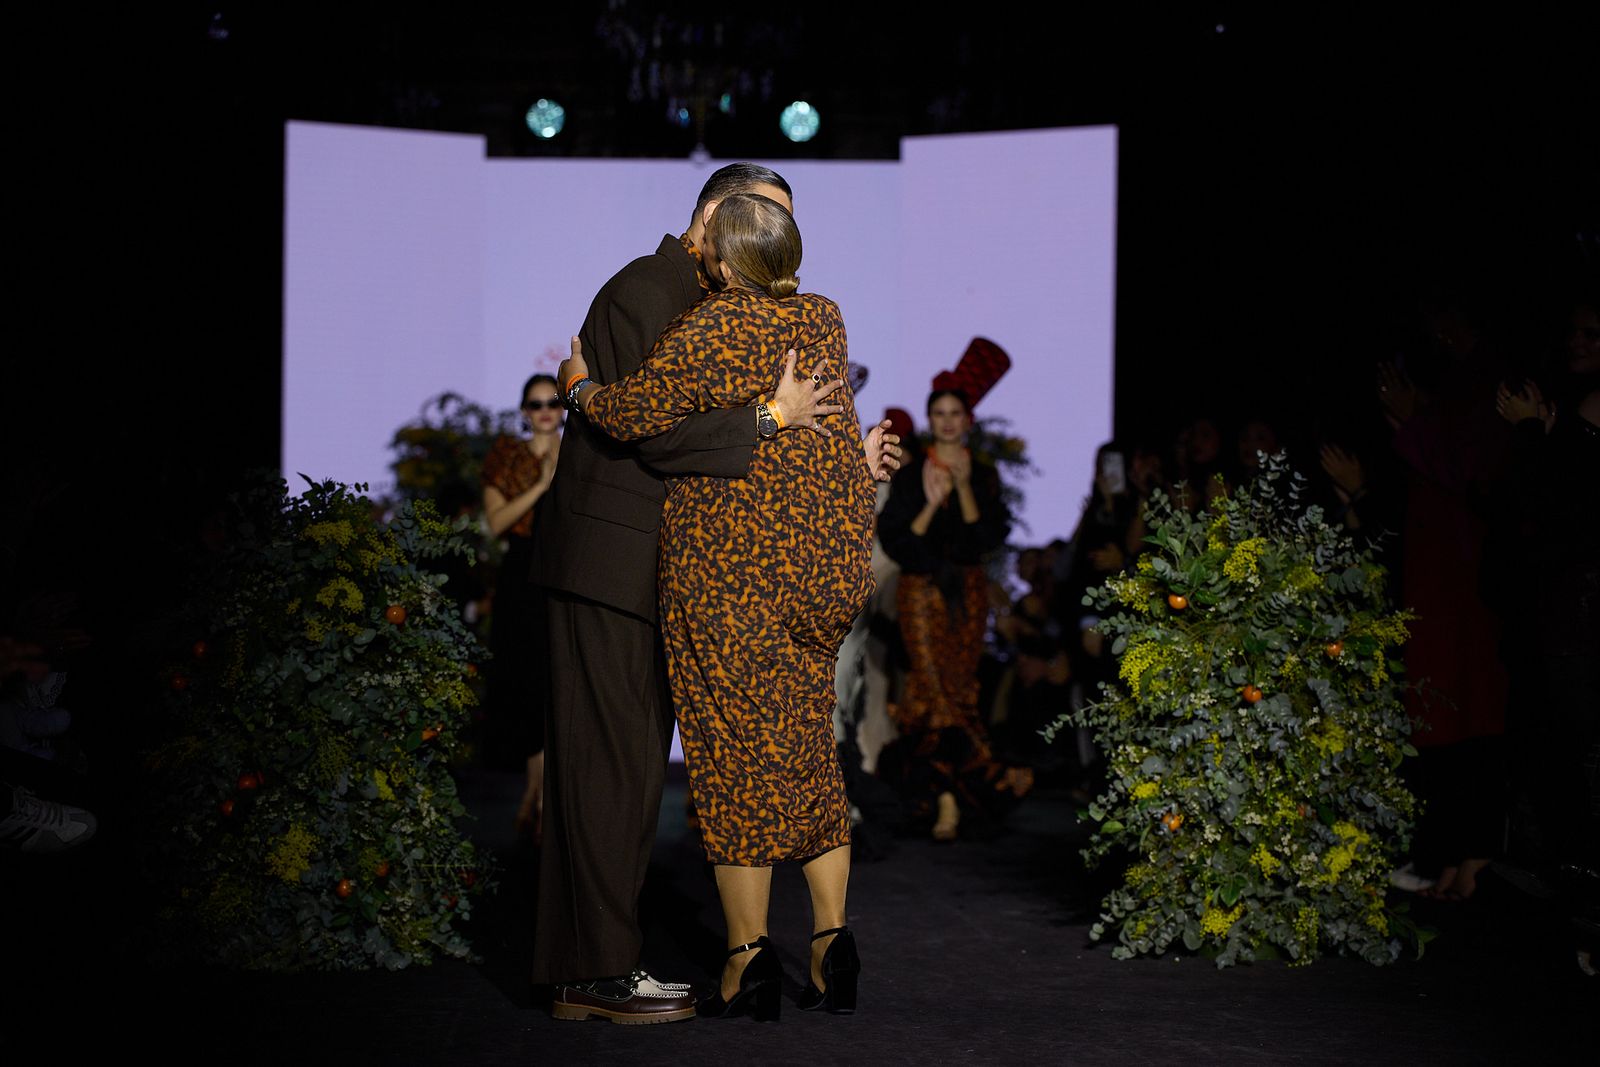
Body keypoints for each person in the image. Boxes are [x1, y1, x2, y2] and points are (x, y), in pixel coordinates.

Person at [529, 163, 898, 1024]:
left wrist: (832, 450)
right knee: (618, 771)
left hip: (708, 574)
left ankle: (682, 957)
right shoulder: (647, 289)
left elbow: (660, 415)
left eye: (783, 224)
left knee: (677, 769)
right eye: (759, 218)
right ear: (714, 219)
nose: (773, 240)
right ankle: (597, 970)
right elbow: (659, 436)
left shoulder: (733, 309)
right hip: (615, 566)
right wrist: (782, 426)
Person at [875, 387, 1025, 842]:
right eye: (938, 413)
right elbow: (898, 539)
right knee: (931, 685)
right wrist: (931, 501)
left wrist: (961, 488)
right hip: (921, 590)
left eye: (954, 413)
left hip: (967, 591)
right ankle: (968, 784)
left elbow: (985, 538)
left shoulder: (982, 474)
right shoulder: (911, 473)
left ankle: (947, 792)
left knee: (956, 690)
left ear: (967, 419)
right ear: (929, 419)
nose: (946, 421)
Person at [478, 374, 561, 841]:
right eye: (536, 403)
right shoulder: (506, 457)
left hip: (563, 572)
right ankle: (538, 794)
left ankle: (541, 798)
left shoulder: (577, 454)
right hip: (520, 576)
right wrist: (541, 485)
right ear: (524, 410)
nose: (546, 410)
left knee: (555, 683)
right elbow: (495, 524)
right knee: (526, 685)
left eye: (553, 401)